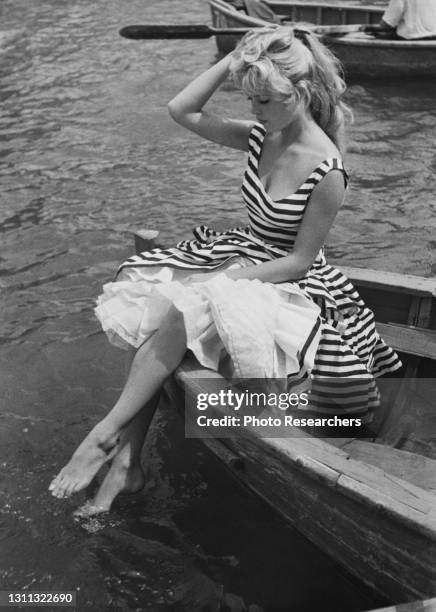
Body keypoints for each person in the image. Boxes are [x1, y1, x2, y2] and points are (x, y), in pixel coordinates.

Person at [49, 26, 402, 514]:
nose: (255, 110)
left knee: (179, 307)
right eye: (251, 98)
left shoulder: (328, 169)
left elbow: (300, 260)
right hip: (245, 253)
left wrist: (229, 280)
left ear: (301, 93)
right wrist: (236, 56)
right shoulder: (262, 135)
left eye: (265, 100)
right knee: (160, 312)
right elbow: (182, 110)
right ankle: (125, 461)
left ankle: (109, 438)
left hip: (290, 278)